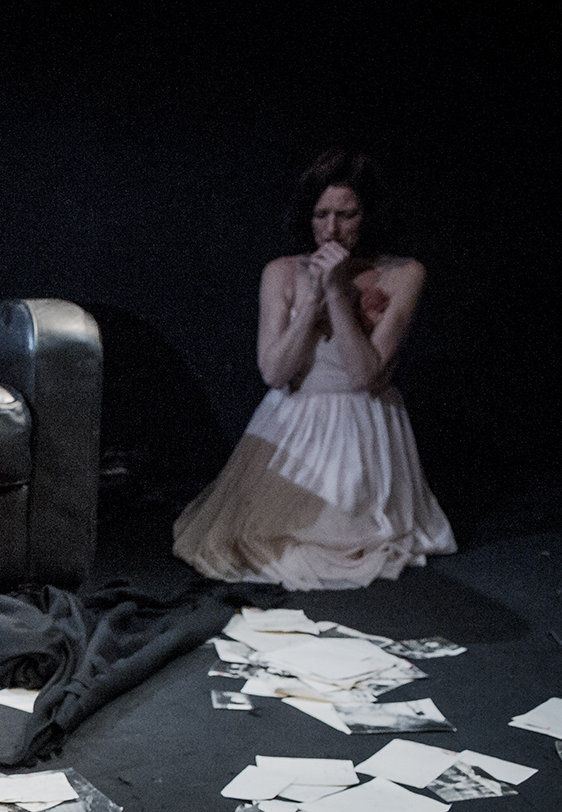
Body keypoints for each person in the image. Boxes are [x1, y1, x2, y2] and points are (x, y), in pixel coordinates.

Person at [172, 149, 455, 589]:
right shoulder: (281, 272)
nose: (331, 229)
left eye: (346, 215)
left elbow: (363, 376)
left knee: (345, 540)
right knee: (259, 539)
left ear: (369, 214)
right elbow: (274, 372)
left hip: (361, 425)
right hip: (292, 423)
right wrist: (312, 300)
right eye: (321, 215)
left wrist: (339, 294)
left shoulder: (403, 273)